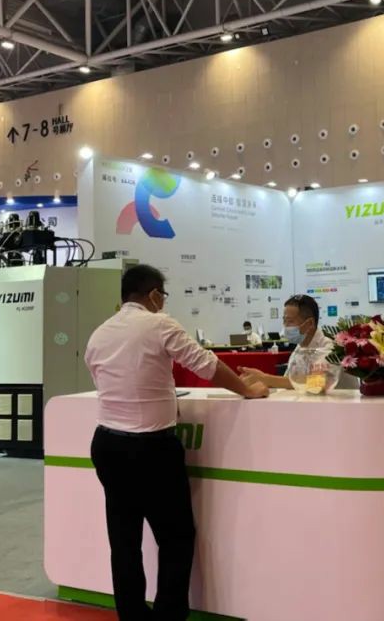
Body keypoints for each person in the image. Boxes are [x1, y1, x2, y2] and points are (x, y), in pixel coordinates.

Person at [85, 264, 268, 621]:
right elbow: (206, 365)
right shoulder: (159, 324)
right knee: (175, 537)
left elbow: (103, 380)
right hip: (151, 449)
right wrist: (246, 389)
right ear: (154, 295)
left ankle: (132, 616)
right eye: (163, 296)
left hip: (107, 444)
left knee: (124, 541)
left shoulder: (100, 333)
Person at [238, 294, 357, 390]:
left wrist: (266, 378)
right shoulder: (300, 347)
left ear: (310, 323)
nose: (285, 326)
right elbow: (289, 382)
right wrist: (259, 381)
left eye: (290, 321)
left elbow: (316, 383)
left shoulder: (330, 345)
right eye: (284, 321)